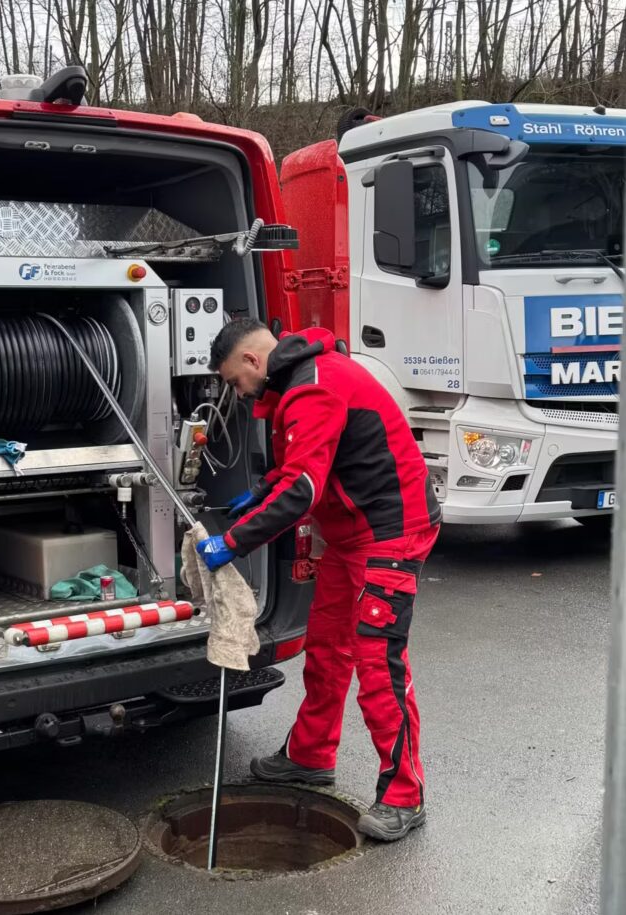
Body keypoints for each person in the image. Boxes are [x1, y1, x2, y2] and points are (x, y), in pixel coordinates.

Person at [196, 318, 441, 841]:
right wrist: (258, 493)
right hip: (357, 535)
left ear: (251, 362)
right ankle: (309, 756)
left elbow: (302, 491)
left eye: (235, 382)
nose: (238, 395)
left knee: (378, 660)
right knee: (328, 645)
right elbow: (301, 471)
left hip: (392, 533)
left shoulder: (313, 387)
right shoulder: (300, 382)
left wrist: (232, 543)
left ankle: (405, 794)